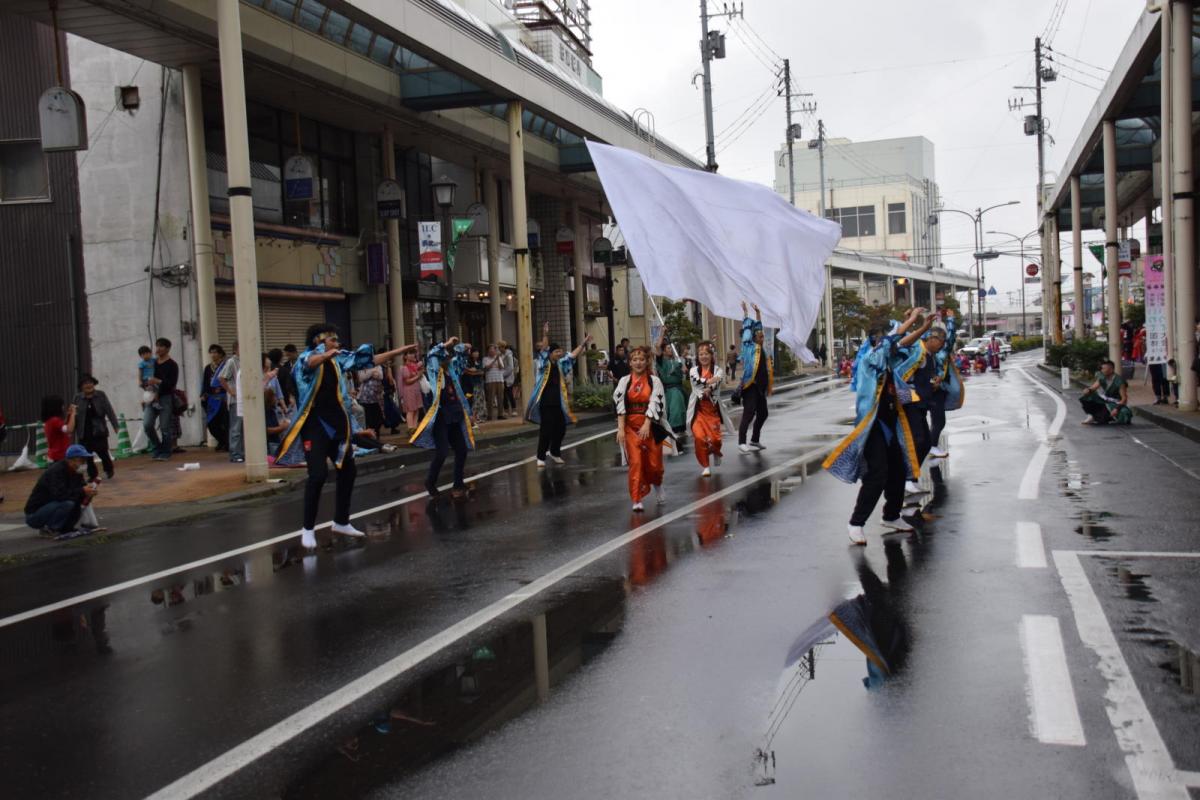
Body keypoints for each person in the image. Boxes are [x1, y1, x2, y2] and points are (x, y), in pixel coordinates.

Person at [278, 324, 415, 548]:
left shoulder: (337, 360)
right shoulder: (305, 360)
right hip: (314, 426)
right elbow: (310, 363)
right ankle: (308, 529)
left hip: (337, 426)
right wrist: (325, 354)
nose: (337, 343)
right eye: (332, 339)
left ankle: (341, 521)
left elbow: (368, 360)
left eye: (336, 339)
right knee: (318, 475)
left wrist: (397, 352)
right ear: (318, 341)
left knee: (348, 470)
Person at [823, 307, 930, 545]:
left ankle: (891, 515)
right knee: (877, 474)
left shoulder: (889, 363)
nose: (890, 347)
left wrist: (923, 328)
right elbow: (892, 341)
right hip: (872, 428)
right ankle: (856, 523)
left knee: (899, 471)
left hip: (892, 425)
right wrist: (911, 319)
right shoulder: (869, 362)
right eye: (883, 341)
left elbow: (901, 343)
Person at [411, 337, 474, 498]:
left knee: (461, 450)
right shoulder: (434, 371)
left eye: (448, 355)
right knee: (442, 452)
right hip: (441, 417)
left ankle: (458, 484)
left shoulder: (452, 370)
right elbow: (431, 354)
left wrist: (463, 346)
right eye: (444, 355)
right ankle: (430, 482)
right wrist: (446, 344)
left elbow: (461, 357)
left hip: (455, 414)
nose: (447, 357)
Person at [613, 345, 674, 511]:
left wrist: (647, 423)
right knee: (636, 462)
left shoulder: (654, 381)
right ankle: (636, 498)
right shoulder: (624, 382)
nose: (638, 363)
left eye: (641, 359)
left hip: (650, 427)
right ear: (630, 363)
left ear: (647, 362)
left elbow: (655, 402)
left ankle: (658, 484)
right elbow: (620, 405)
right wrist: (620, 428)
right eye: (634, 360)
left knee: (654, 464)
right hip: (631, 428)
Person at [527, 322, 592, 467]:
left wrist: (583, 343)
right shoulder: (544, 363)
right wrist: (545, 334)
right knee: (546, 429)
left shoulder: (561, 363)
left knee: (561, 428)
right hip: (545, 402)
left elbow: (573, 355)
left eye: (560, 351)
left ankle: (555, 453)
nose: (560, 353)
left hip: (559, 402)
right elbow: (544, 348)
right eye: (557, 352)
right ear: (551, 353)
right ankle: (541, 457)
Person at [25, 444, 97, 538]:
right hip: (35, 513)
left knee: (75, 501)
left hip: (51, 506)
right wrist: (82, 491)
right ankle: (50, 528)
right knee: (67, 503)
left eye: (85, 461)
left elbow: (77, 493)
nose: (84, 463)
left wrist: (88, 494)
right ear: (71, 460)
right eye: (81, 460)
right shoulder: (56, 471)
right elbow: (60, 495)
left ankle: (65, 528)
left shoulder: (76, 472)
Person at [925, 310, 963, 460]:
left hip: (939, 389)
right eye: (936, 339)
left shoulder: (942, 352)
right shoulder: (922, 351)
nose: (939, 342)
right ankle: (929, 446)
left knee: (938, 421)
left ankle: (930, 446)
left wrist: (951, 320)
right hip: (926, 390)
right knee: (935, 421)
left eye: (941, 340)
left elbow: (951, 337)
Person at [737, 301, 774, 453]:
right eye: (759, 335)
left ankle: (754, 440)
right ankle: (741, 442)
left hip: (760, 387)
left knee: (763, 413)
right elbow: (748, 327)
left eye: (762, 335)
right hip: (750, 385)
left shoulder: (762, 349)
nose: (762, 337)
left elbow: (758, 325)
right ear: (752, 337)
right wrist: (746, 312)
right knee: (749, 412)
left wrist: (758, 313)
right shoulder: (748, 346)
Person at [687, 340, 725, 477]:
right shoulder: (693, 371)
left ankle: (715, 451)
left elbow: (719, 380)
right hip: (698, 411)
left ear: (711, 355)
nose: (703, 356)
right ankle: (705, 465)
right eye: (701, 354)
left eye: (706, 354)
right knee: (699, 438)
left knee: (715, 440)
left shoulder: (718, 370)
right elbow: (696, 382)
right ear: (698, 356)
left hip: (713, 410)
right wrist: (709, 383)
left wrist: (712, 387)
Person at [72, 375, 119, 481]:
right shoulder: (77, 398)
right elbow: (73, 414)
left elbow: (109, 410)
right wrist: (70, 428)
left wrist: (115, 425)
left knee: (103, 452)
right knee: (87, 456)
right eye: (85, 383)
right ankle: (92, 475)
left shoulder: (101, 395)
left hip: (99, 430)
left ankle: (109, 469)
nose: (89, 385)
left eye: (90, 383)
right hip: (83, 431)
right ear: (81, 387)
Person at [142, 337, 179, 461]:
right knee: (147, 424)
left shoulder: (172, 365)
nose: (158, 349)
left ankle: (166, 451)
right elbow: (144, 379)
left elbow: (171, 384)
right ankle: (157, 447)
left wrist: (158, 381)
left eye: (161, 346)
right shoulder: (152, 363)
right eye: (157, 346)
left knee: (165, 426)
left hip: (165, 398)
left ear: (168, 348)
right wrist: (146, 387)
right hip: (152, 397)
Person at [654, 331, 688, 452]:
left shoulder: (677, 361)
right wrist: (662, 333)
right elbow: (657, 347)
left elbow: (685, 372)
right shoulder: (661, 361)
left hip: (680, 388)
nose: (670, 350)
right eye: (668, 348)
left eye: (670, 348)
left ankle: (681, 430)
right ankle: (674, 431)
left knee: (682, 410)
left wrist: (684, 369)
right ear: (663, 351)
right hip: (671, 389)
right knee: (675, 411)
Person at [1080, 359, 1132, 425]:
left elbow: (1124, 398)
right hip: (1104, 400)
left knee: (1124, 414)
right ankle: (1091, 415)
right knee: (1088, 396)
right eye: (1102, 368)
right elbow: (1093, 388)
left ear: (1111, 370)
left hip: (1115, 403)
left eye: (1104, 368)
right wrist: (1088, 390)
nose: (1102, 370)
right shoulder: (1102, 376)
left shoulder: (1119, 381)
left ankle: (1107, 417)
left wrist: (1117, 409)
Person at [218, 341, 243, 463]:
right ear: (235, 349)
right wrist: (230, 391)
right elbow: (221, 377)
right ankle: (235, 453)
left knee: (242, 427)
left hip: (244, 399)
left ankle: (241, 452)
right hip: (236, 400)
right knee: (236, 427)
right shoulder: (232, 361)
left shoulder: (245, 361)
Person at [201, 344, 230, 451]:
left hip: (223, 398)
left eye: (215, 352)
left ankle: (227, 443)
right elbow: (205, 382)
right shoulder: (208, 368)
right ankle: (221, 440)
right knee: (211, 423)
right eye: (211, 352)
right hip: (212, 399)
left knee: (225, 422)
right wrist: (203, 394)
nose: (213, 354)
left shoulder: (225, 366)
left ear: (220, 353)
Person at [354, 358, 387, 439]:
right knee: (369, 418)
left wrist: (370, 373)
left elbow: (380, 376)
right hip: (365, 397)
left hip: (377, 396)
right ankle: (370, 436)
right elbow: (362, 377)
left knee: (378, 418)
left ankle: (377, 434)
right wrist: (372, 372)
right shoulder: (362, 365)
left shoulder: (377, 364)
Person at [398, 349, 425, 432]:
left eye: (413, 353)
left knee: (416, 409)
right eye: (410, 353)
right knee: (410, 410)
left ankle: (415, 428)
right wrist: (418, 376)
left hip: (416, 389)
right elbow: (407, 381)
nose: (413, 355)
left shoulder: (415, 366)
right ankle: (411, 429)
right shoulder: (404, 368)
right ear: (405, 356)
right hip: (409, 391)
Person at [483, 344, 507, 420]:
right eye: (491, 350)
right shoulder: (485, 359)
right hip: (490, 381)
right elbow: (487, 368)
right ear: (488, 351)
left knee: (501, 398)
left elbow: (501, 367)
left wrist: (498, 359)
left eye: (494, 350)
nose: (492, 351)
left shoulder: (499, 358)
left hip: (500, 380)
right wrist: (494, 360)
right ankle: (489, 415)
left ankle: (500, 414)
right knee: (490, 399)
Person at [499, 340, 518, 414]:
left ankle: (514, 409)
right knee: (503, 394)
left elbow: (510, 367)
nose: (499, 349)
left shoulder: (509, 355)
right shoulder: (500, 355)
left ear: (503, 347)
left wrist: (503, 375)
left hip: (508, 377)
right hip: (502, 376)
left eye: (500, 347)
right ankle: (506, 409)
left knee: (509, 393)